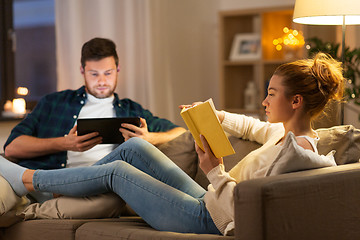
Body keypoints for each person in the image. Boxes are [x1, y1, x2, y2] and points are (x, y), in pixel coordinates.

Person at [0, 53, 344, 235]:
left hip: (210, 218)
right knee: (135, 148)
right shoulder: (282, 134)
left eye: (271, 93)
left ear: (296, 101)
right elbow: (249, 125)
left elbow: (242, 215)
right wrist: (211, 114)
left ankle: (28, 180)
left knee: (119, 171)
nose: (265, 101)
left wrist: (214, 171)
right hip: (209, 200)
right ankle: (50, 184)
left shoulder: (298, 155)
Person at [2, 37, 185, 217]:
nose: (102, 81)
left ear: (118, 69)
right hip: (44, 180)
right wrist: (65, 143)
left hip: (91, 188)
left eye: (108, 73)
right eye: (94, 74)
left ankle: (24, 212)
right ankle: (33, 188)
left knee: (113, 199)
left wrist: (149, 139)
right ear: (82, 71)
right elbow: (11, 149)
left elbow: (180, 132)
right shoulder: (54, 102)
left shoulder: (131, 110)